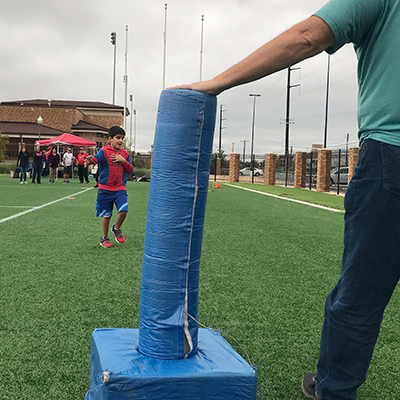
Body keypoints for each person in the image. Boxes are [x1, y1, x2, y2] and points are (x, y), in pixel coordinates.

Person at [172, 1, 400, 399]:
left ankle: (336, 390)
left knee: (361, 295)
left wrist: (218, 82)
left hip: (391, 156)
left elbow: (307, 36)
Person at [85, 126, 133, 248]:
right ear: (110, 139)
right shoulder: (104, 152)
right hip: (105, 189)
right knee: (106, 215)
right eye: (118, 138)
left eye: (122, 138)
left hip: (120, 188)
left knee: (124, 210)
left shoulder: (124, 154)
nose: (120, 140)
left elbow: (130, 170)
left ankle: (116, 229)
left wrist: (123, 160)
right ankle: (105, 237)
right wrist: (89, 160)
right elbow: (95, 160)